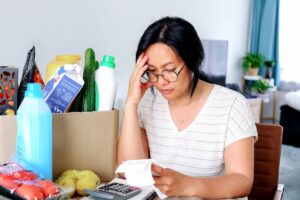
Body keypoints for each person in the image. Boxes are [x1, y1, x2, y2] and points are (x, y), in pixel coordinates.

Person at [117, 16, 257, 200]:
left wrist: (188, 185)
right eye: (152, 72)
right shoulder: (147, 102)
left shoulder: (232, 104)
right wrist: (131, 104)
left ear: (192, 62)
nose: (161, 81)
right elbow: (128, 171)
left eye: (169, 69)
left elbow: (242, 181)